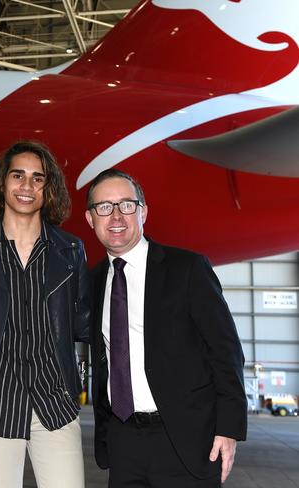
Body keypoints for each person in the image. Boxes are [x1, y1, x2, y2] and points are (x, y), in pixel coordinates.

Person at [84, 168, 247, 487]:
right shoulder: (92, 280)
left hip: (185, 439)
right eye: (104, 207)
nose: (116, 216)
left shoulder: (186, 269)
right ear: (91, 219)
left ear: (143, 211)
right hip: (123, 442)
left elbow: (225, 350)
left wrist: (228, 428)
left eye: (126, 205)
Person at [0, 140, 90, 488]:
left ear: (49, 189)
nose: (27, 187)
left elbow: (86, 323)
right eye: (18, 176)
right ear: (3, 183)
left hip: (55, 403)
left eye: (38, 178)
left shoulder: (70, 250)